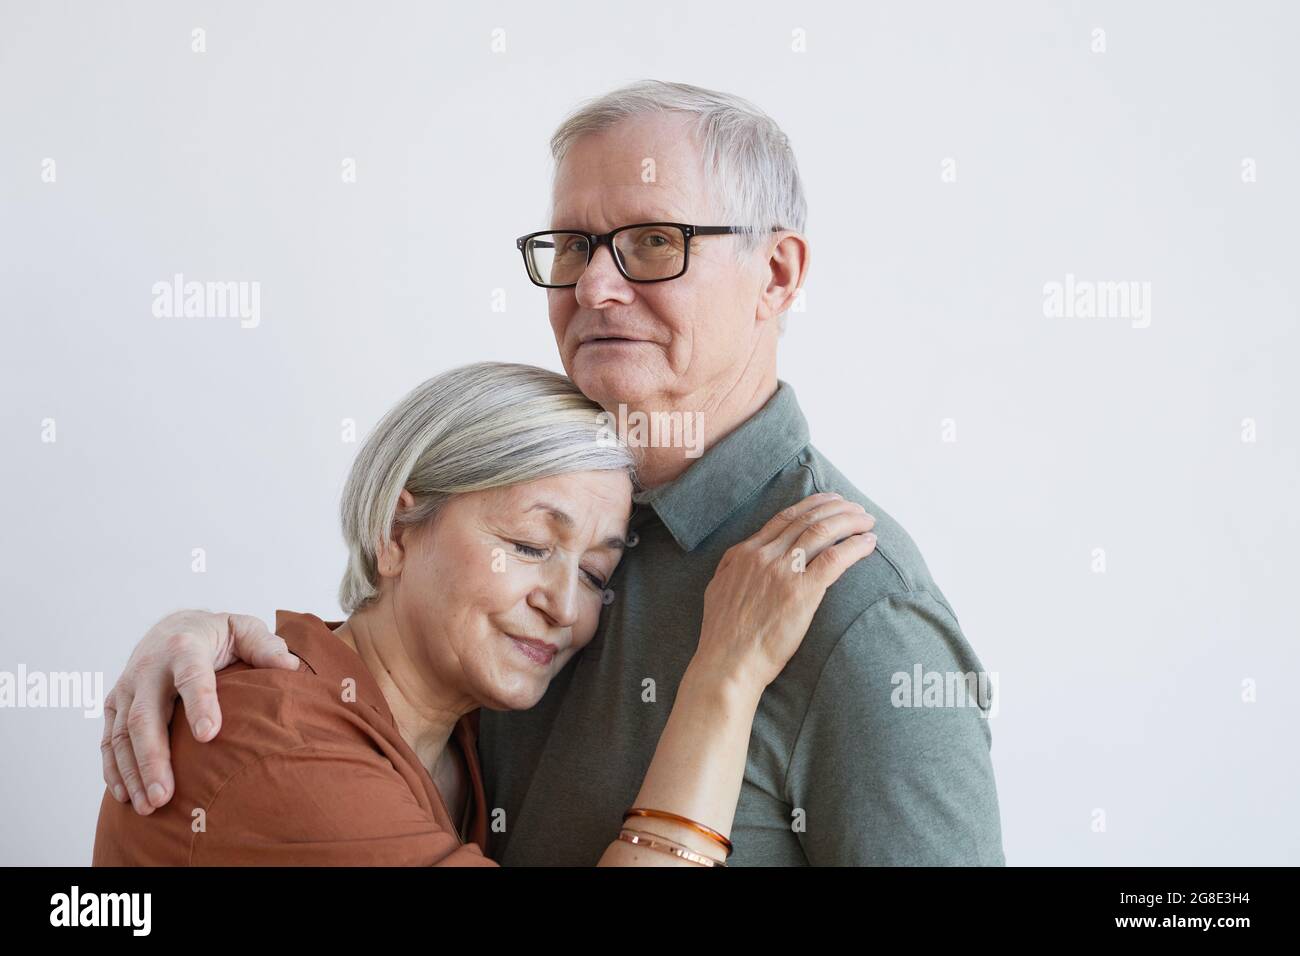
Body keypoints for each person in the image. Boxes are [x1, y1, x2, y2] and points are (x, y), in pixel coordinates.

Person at [101, 80, 1006, 865]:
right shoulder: (550, 504)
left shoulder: (859, 613)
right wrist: (214, 642)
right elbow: (350, 712)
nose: (596, 289)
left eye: (654, 241)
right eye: (572, 247)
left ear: (775, 272)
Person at [92, 361, 876, 866]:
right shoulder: (279, 747)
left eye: (596, 573)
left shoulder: (463, 736)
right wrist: (725, 677)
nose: (565, 607)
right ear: (395, 533)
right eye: (532, 546)